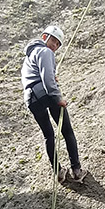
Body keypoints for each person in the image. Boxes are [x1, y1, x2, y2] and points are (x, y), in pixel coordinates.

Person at [21, 25, 88, 183]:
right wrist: (58, 99)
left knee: (48, 135)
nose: (55, 46)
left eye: (58, 44)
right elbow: (48, 81)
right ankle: (76, 171)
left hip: (31, 99)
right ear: (44, 37)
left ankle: (58, 173)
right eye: (53, 41)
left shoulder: (29, 57)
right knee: (67, 131)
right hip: (45, 93)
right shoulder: (45, 51)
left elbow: (37, 75)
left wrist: (50, 77)